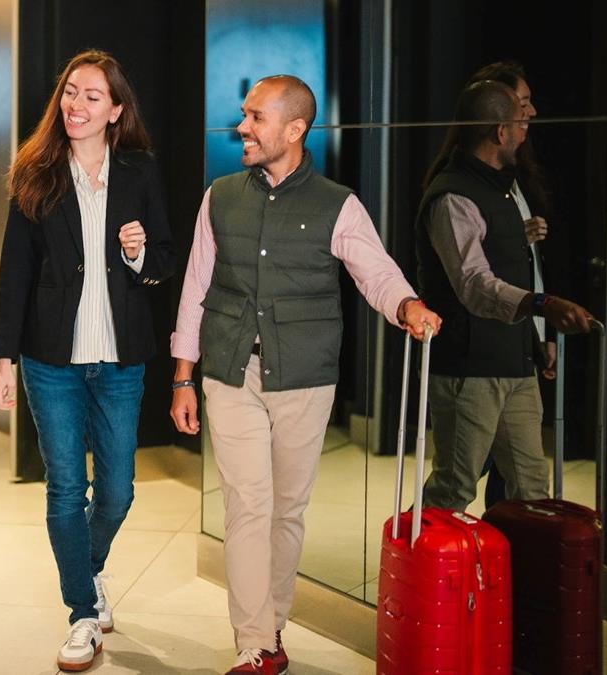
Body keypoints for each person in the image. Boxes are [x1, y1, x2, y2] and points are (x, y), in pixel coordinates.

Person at [169, 75, 440, 675]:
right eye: (244, 115)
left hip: (305, 377)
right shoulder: (220, 196)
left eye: (256, 118)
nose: (242, 127)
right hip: (231, 370)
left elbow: (376, 272)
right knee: (247, 505)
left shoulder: (337, 204)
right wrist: (183, 376)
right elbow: (195, 287)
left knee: (286, 510)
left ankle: (273, 627)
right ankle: (254, 643)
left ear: (294, 130)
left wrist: (407, 305)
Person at [0, 50, 174, 672]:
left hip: (121, 359)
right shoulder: (36, 172)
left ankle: (87, 572)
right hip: (52, 360)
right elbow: (15, 271)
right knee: (67, 487)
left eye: (93, 96)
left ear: (116, 110)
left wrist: (139, 253)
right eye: (71, 92)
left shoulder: (140, 171)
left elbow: (164, 260)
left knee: (117, 492)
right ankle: (81, 613)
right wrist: (3, 357)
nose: (77, 105)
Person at [415, 80, 592, 514]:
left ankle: (522, 561)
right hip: (469, 368)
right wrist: (542, 304)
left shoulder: (503, 188)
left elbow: (517, 267)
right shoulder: (454, 195)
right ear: (500, 131)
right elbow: (473, 283)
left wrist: (537, 338)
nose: (527, 127)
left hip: (515, 363)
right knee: (453, 490)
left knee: (531, 489)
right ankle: (427, 558)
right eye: (520, 120)